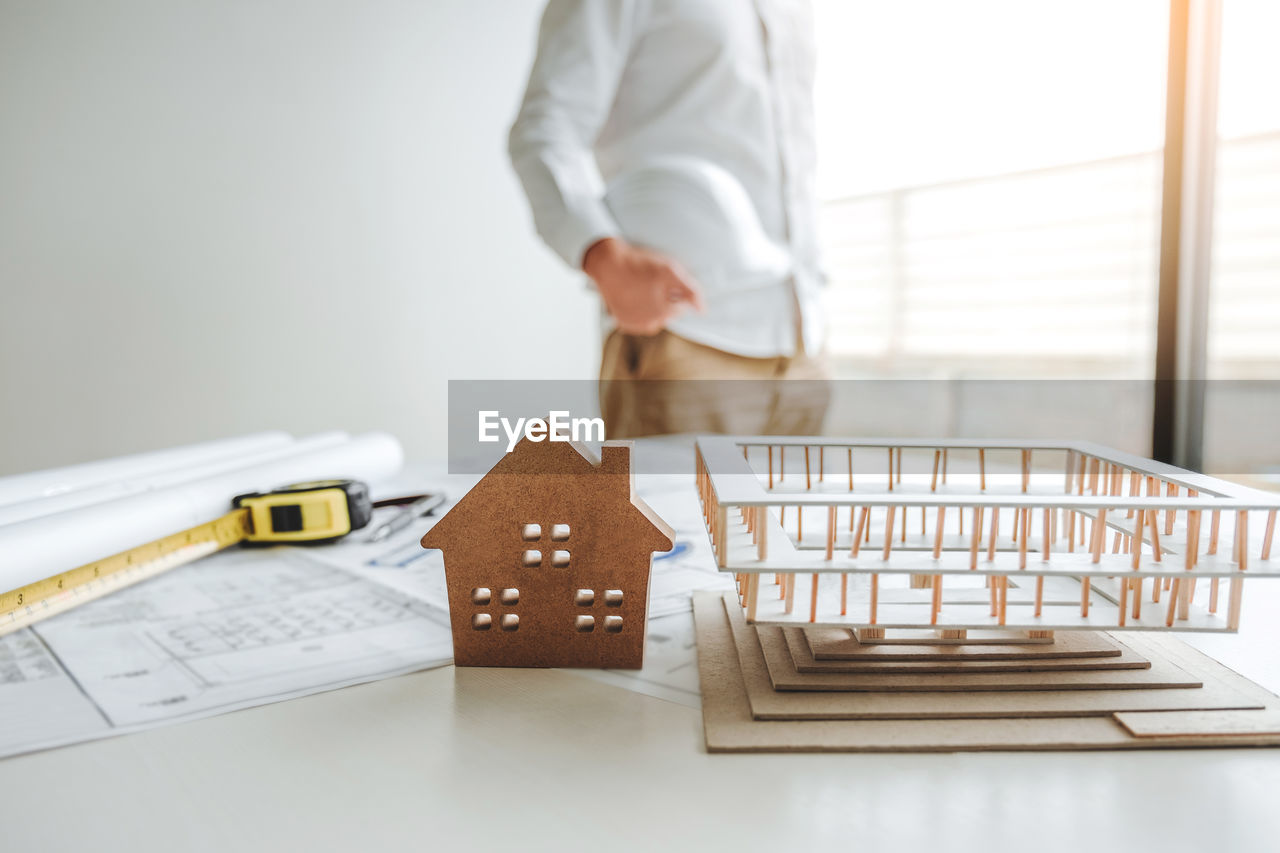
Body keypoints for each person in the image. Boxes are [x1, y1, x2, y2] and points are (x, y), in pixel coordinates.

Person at [508, 0, 829, 437]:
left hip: (805, 349)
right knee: (670, 509)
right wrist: (604, 258)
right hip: (685, 340)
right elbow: (545, 128)